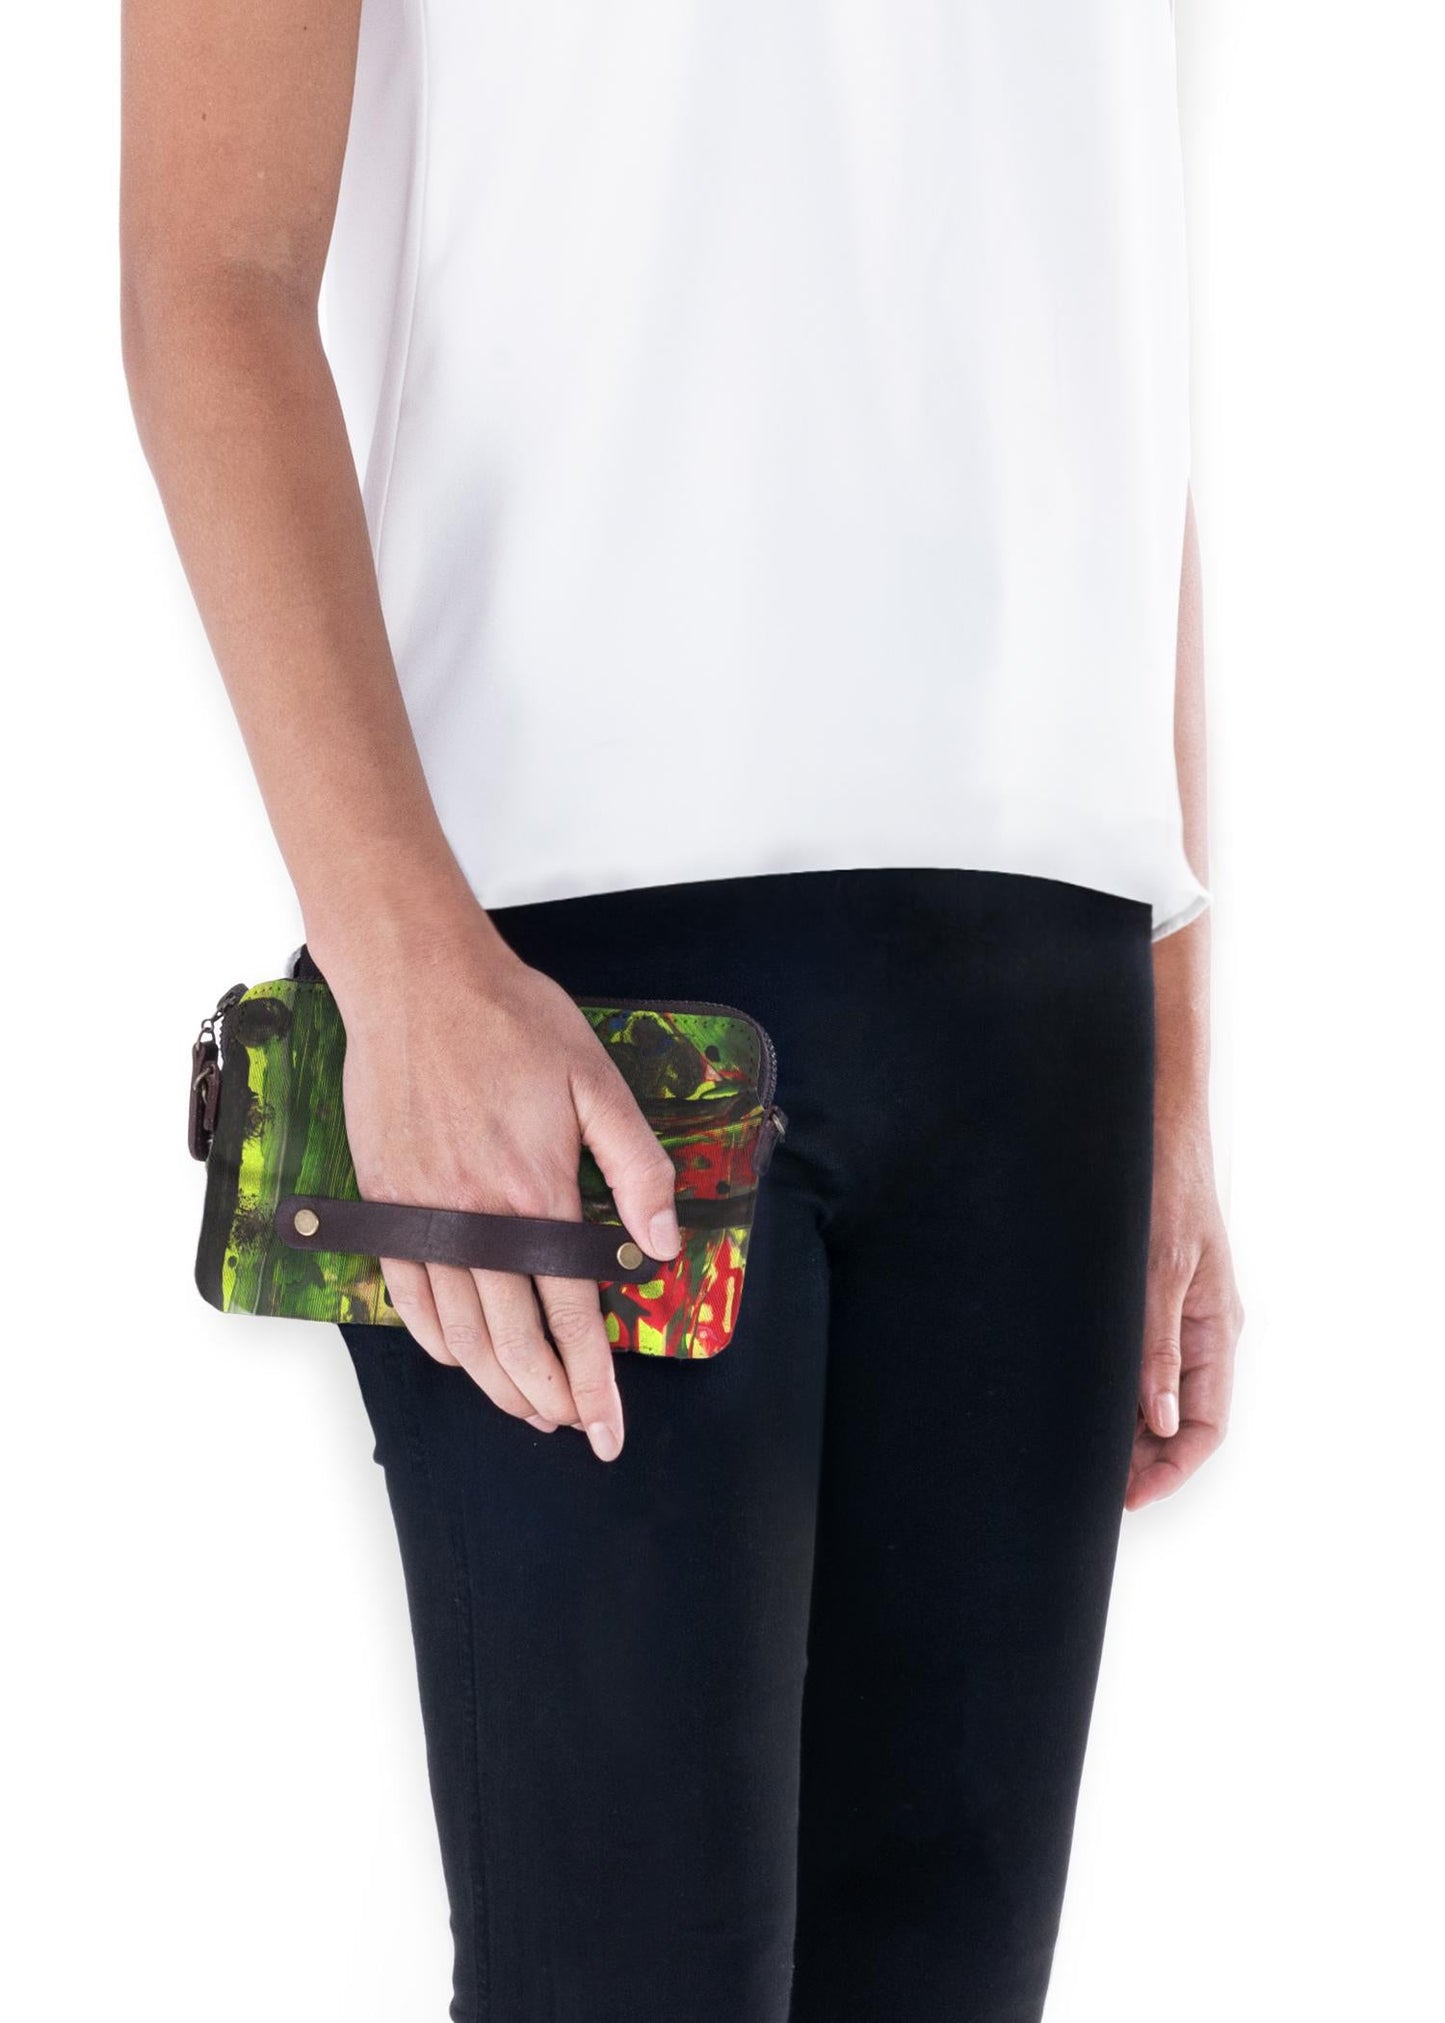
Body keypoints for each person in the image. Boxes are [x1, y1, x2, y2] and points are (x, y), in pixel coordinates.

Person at [121, 2, 1244, 2017]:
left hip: (1045, 997)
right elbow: (210, 275)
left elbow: (1101, 310)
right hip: (564, 1014)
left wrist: (1175, 1054)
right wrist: (403, 963)